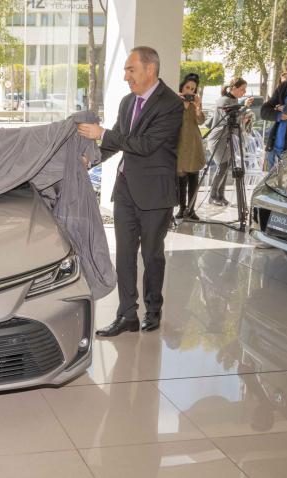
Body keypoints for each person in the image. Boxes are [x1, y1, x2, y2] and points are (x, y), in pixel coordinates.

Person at [78, 46, 184, 337]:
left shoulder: (171, 104)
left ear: (150, 69)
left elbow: (146, 145)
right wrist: (90, 160)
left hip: (155, 194)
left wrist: (102, 134)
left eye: (130, 70)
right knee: (124, 255)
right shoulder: (127, 102)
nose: (126, 76)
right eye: (126, 70)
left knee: (151, 255)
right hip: (125, 189)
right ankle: (126, 315)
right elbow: (117, 141)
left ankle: (153, 310)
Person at [207, 77, 253, 207]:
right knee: (222, 167)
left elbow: (235, 119)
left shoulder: (234, 100)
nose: (244, 92)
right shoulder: (224, 100)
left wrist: (244, 116)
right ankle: (212, 196)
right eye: (242, 89)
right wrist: (245, 107)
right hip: (218, 138)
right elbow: (229, 118)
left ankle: (220, 196)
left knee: (225, 166)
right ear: (234, 88)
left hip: (227, 137)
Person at [175, 73, 206, 220]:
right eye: (187, 87)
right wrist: (181, 104)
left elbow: (201, 121)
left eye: (193, 89)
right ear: (182, 87)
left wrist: (198, 107)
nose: (190, 91)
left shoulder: (195, 103)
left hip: (194, 144)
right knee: (181, 180)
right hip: (180, 144)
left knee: (193, 178)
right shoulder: (175, 101)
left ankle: (191, 209)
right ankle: (182, 209)